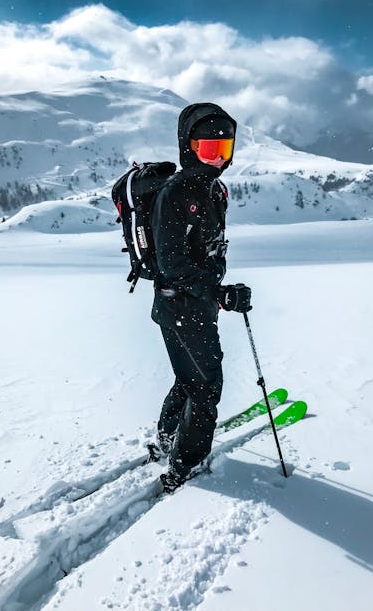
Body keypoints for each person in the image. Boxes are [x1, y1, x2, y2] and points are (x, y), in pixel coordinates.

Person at [150, 102, 252, 493]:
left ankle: (167, 440)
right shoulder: (176, 192)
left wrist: (217, 292)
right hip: (181, 305)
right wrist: (219, 292)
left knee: (189, 378)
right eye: (209, 149)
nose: (217, 159)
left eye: (223, 150)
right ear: (188, 147)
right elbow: (173, 263)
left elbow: (205, 253)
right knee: (207, 386)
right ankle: (185, 465)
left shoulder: (213, 190)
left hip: (188, 305)